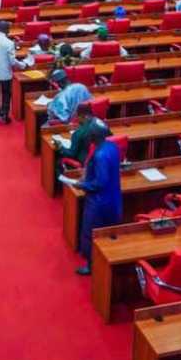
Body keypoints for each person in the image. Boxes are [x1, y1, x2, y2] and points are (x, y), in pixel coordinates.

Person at [61, 119, 121, 275]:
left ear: (93, 137)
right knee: (109, 231)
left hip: (98, 202)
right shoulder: (113, 147)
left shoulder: (100, 154)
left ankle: (90, 265)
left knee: (90, 233)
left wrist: (81, 185)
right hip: (114, 197)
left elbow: (99, 182)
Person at [53, 103, 97, 174]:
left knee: (57, 159)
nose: (76, 118)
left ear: (82, 116)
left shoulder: (78, 133)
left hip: (83, 163)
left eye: (77, 116)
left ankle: (62, 184)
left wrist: (60, 146)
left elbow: (71, 154)